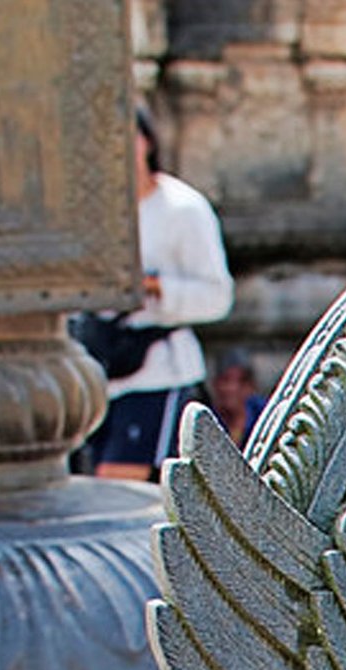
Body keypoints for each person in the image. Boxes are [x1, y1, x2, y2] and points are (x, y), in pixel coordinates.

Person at [77, 104, 233, 481]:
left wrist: (155, 286)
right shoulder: (93, 213)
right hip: (102, 372)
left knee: (116, 486)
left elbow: (217, 296)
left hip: (159, 372)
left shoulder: (183, 209)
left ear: (146, 141)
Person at [208, 348, 266, 449]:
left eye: (240, 382)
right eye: (225, 380)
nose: (231, 388)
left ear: (250, 387)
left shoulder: (263, 415)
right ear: (215, 384)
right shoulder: (208, 420)